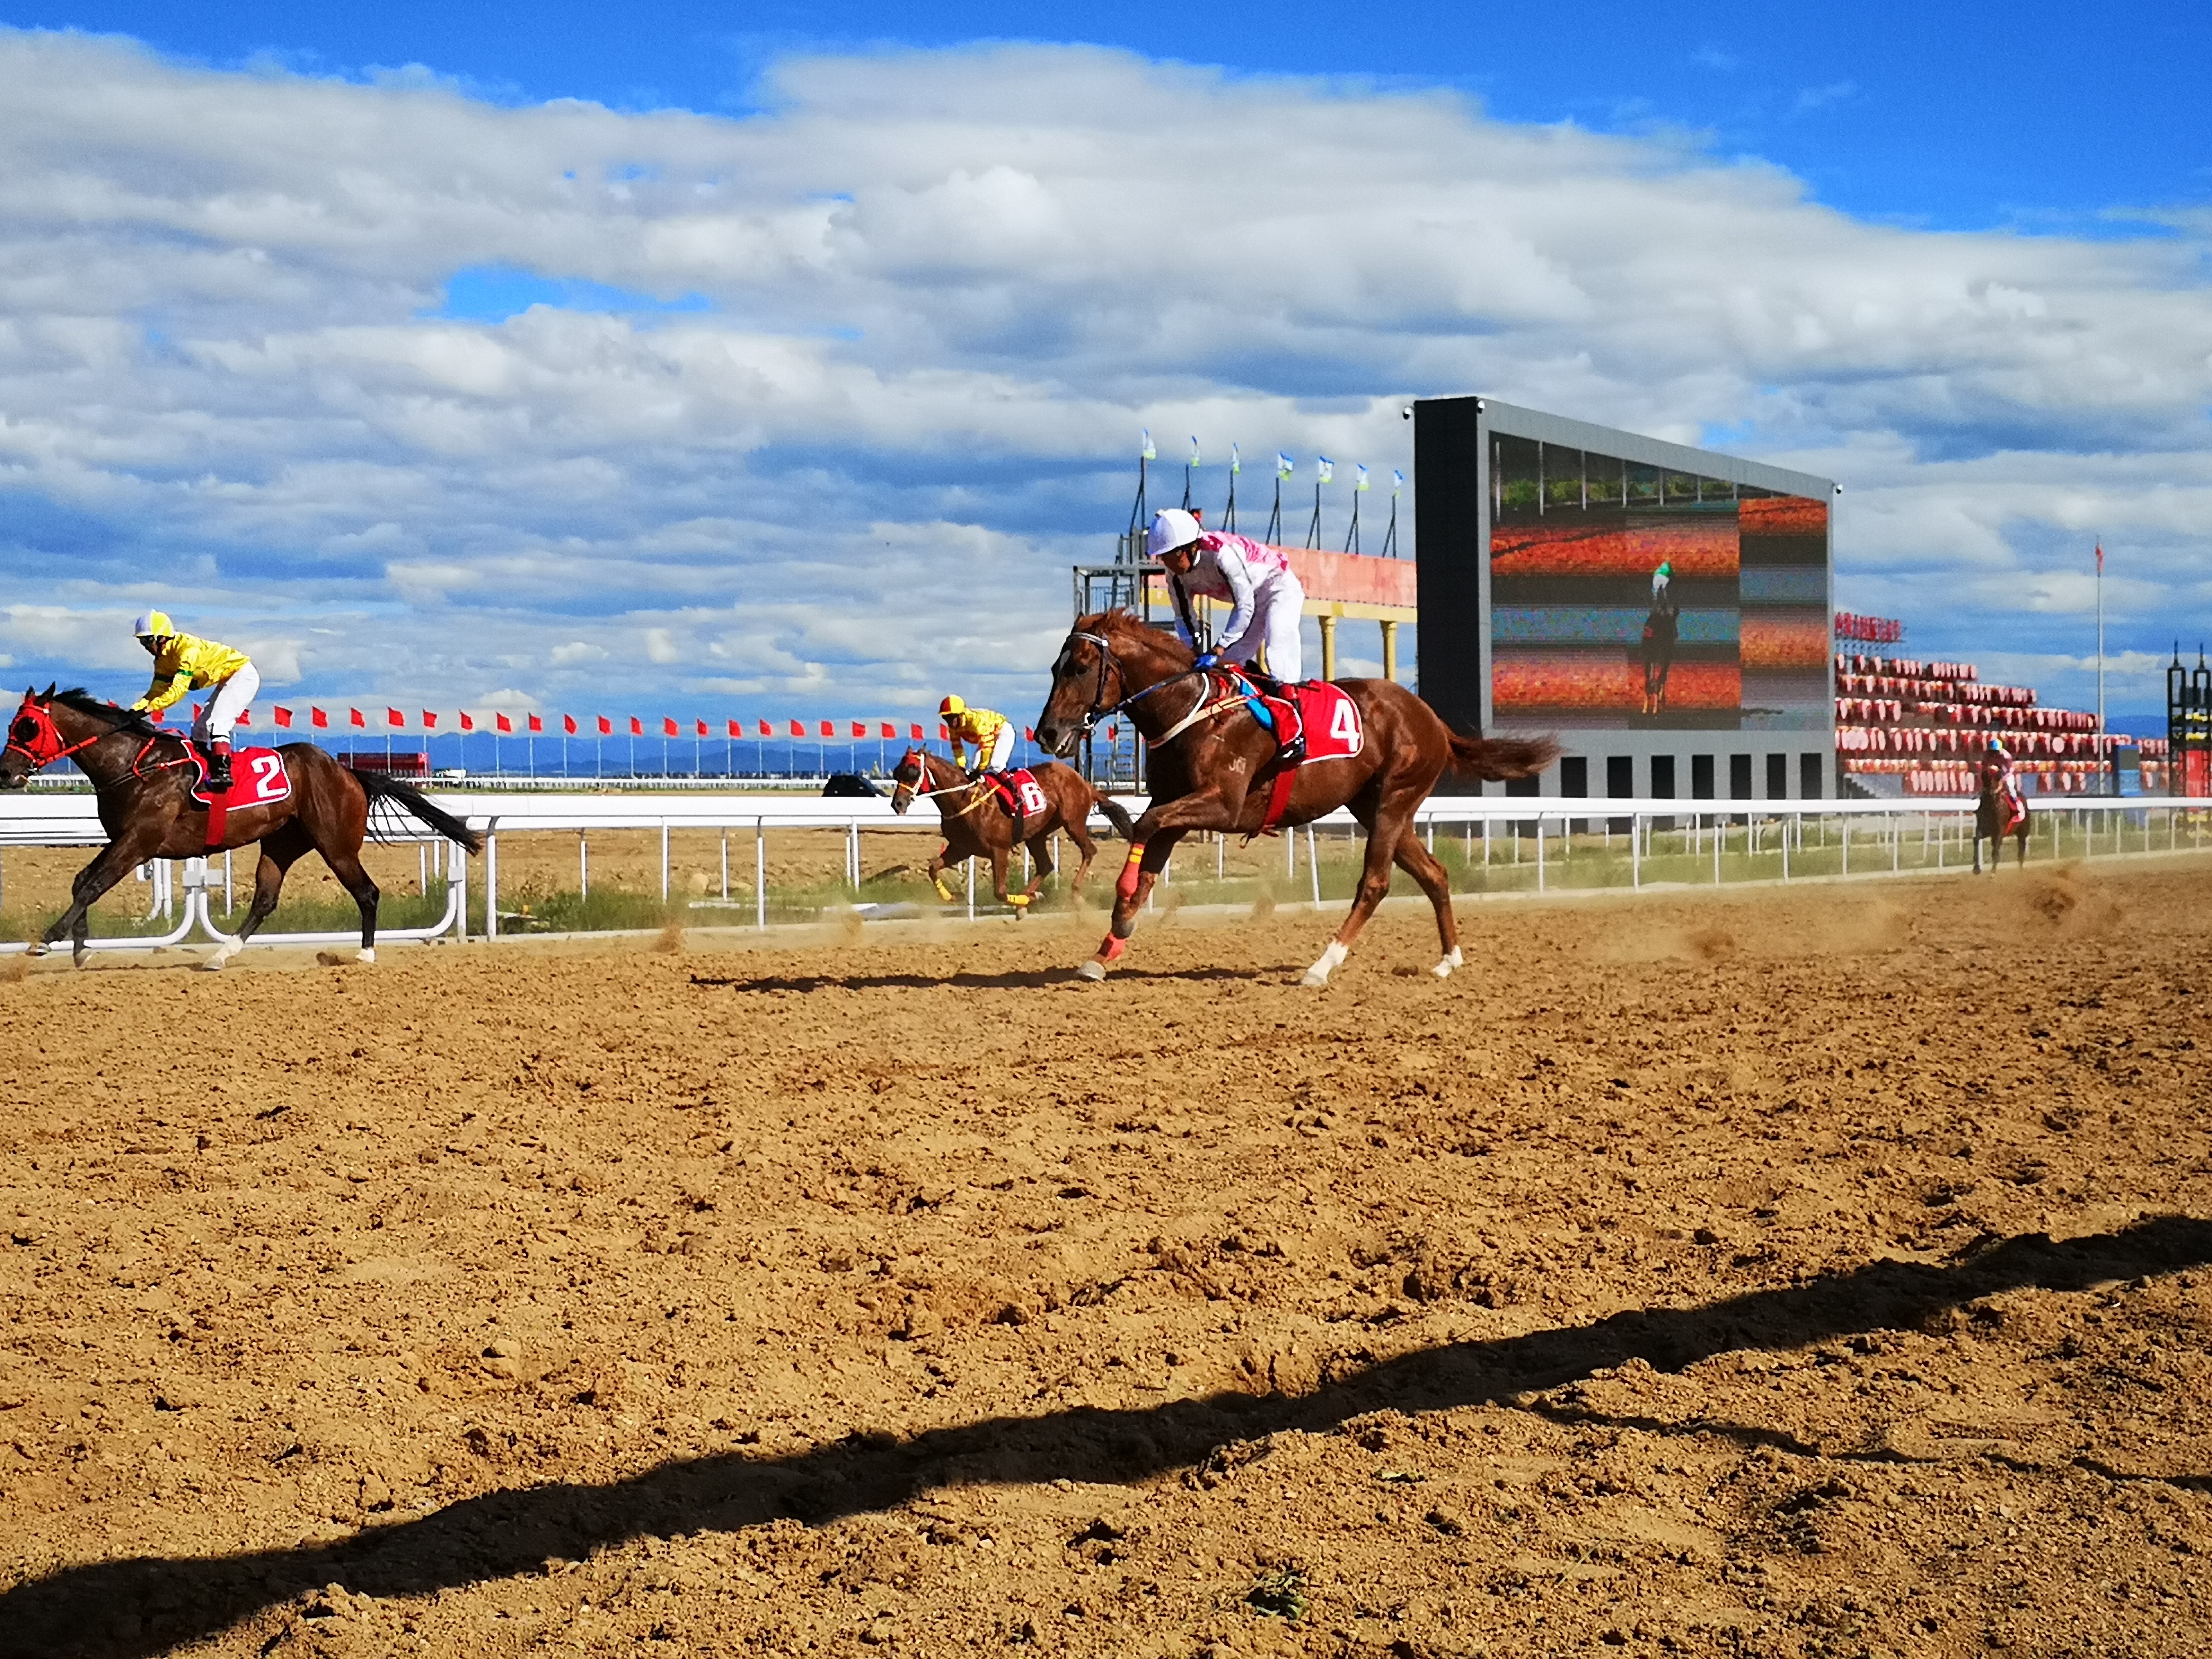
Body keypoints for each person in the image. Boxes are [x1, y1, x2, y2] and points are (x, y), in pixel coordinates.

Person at [1147, 508, 1307, 685]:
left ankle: (1291, 693)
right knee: (1226, 666)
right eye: (1164, 557)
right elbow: (1184, 617)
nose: (1170, 564)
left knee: (1277, 641)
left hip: (1278, 587)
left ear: (1193, 547)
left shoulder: (1222, 554)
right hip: (1251, 601)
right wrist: (1193, 652)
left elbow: (1244, 606)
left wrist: (1218, 648)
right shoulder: (1174, 576)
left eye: (1174, 556)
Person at [129, 610, 257, 792]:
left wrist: (149, 709)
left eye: (148, 640)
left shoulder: (188, 651)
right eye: (142, 641)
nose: (145, 646)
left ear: (162, 638)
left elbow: (178, 690)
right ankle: (201, 770)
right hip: (226, 679)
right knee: (199, 730)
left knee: (218, 723)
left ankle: (222, 773)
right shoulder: (162, 660)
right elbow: (157, 691)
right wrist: (135, 710)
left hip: (243, 675)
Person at [939, 694, 1013, 777]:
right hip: (988, 738)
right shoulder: (953, 729)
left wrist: (981, 769)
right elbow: (957, 748)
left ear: (961, 715)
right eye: (945, 718)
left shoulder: (976, 722)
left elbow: (987, 747)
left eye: (951, 717)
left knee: (996, 766)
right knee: (975, 767)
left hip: (1003, 731)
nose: (949, 721)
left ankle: (1012, 786)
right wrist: (961, 767)